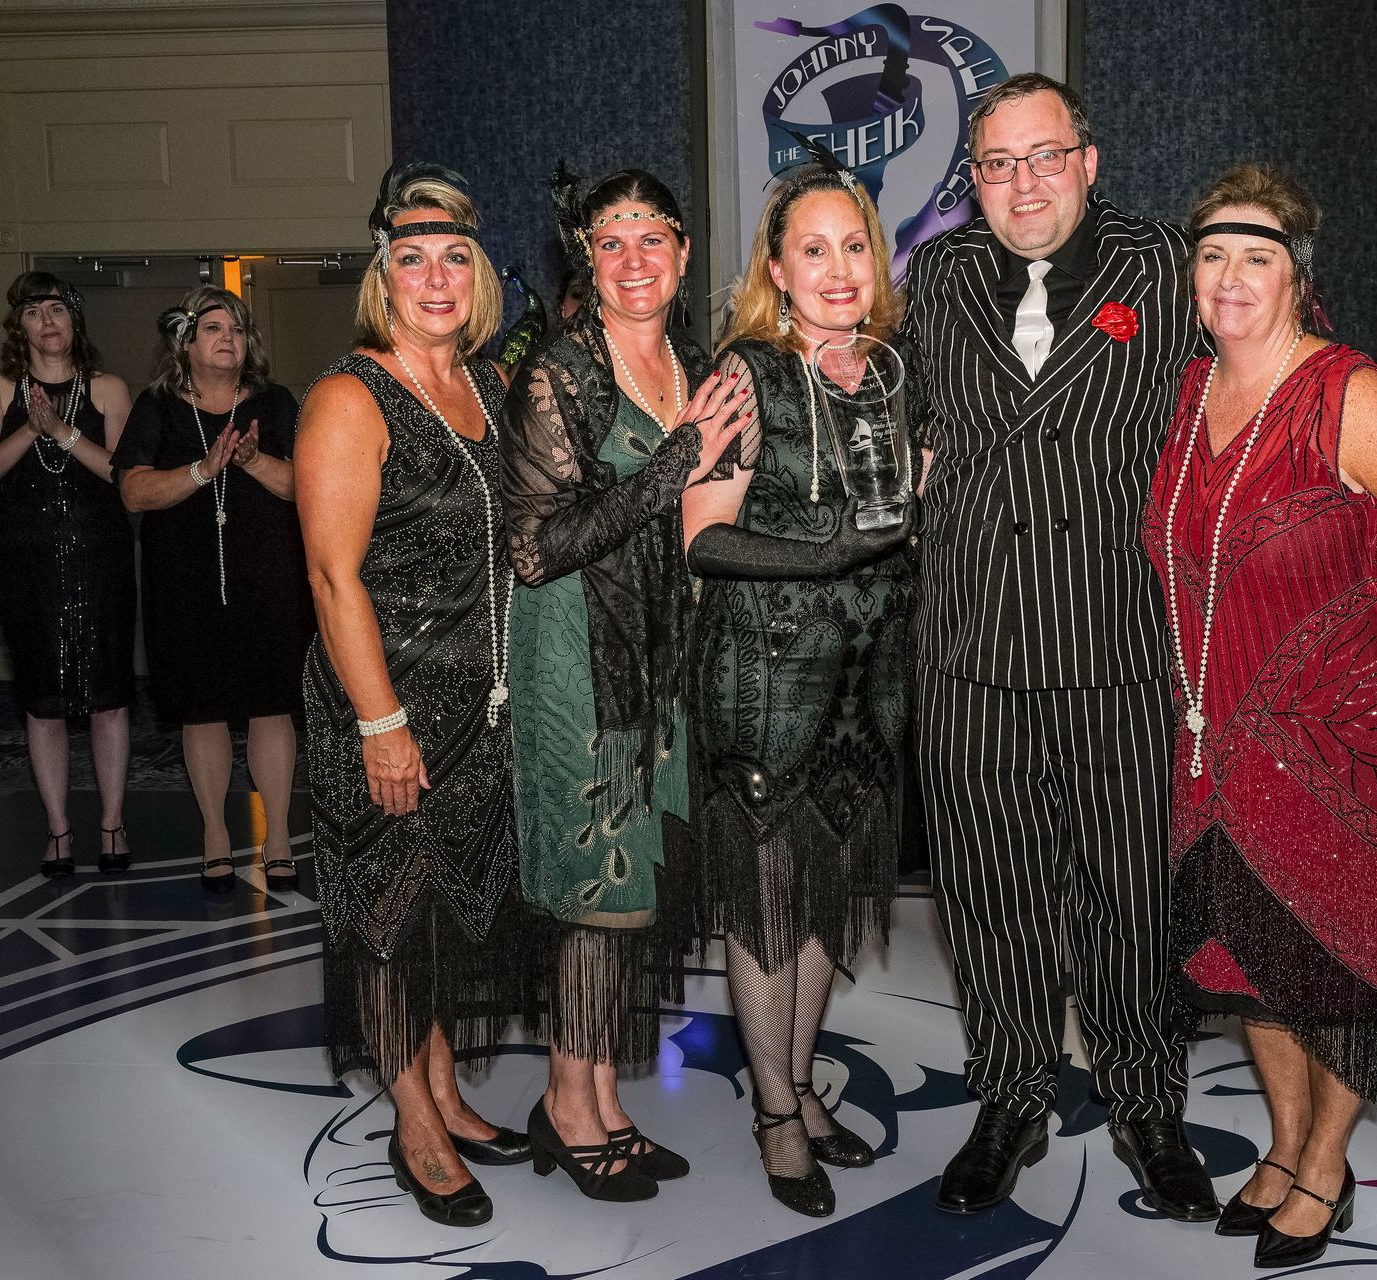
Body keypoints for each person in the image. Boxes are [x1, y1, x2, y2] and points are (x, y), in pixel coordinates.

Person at [1143, 163, 1377, 1268]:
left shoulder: (1347, 392)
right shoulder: (1186, 393)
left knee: (1338, 959)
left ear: (1298, 272)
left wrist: (1373, 598)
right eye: (1212, 254)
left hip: (1343, 729)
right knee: (1250, 956)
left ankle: (1327, 1166)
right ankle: (1286, 1138)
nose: (1231, 275)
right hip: (1218, 725)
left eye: (1257, 254)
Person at [896, 72, 1214, 1219]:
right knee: (991, 894)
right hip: (974, 645)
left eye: (1043, 157)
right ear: (971, 180)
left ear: (1089, 160)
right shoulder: (935, 275)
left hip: (1117, 642)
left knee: (1132, 894)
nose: (1021, 183)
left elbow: (1240, 410)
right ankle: (1013, 1093)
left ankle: (1144, 1101)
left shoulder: (1166, 269)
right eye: (996, 164)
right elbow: (912, 430)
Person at [502, 167, 750, 1202]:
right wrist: (678, 457)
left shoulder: (695, 364)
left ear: (685, 255)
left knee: (632, 891)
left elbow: (710, 518)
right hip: (577, 661)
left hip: (661, 662)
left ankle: (601, 1098)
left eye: (654, 236)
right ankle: (568, 1104)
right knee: (593, 895)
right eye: (612, 240)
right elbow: (535, 547)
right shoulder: (558, 372)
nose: (635, 256)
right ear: (586, 264)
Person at [296, 162, 535, 1228]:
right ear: (382, 279)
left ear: (476, 275)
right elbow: (332, 574)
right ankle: (416, 1126)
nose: (435, 278)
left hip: (470, 711)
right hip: (383, 708)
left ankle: (443, 1088)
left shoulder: (475, 385)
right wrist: (380, 725)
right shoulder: (352, 393)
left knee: (439, 918)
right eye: (412, 260)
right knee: (389, 921)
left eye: (454, 258)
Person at [681, 159, 914, 1217]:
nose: (835, 268)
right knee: (768, 908)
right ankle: (777, 1112)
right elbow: (701, 537)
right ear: (776, 268)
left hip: (869, 692)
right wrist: (825, 548)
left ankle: (802, 1085)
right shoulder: (745, 373)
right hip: (765, 683)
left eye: (853, 245)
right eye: (811, 249)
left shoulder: (896, 372)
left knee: (823, 903)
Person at [115, 288, 314, 892]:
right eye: (212, 327)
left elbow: (304, 487)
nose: (228, 336)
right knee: (201, 712)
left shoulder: (275, 403)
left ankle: (277, 836)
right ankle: (215, 836)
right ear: (186, 342)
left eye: (236, 327)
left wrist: (250, 461)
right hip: (185, 585)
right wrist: (204, 470)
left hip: (269, 581)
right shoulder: (158, 407)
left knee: (270, 708)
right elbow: (133, 491)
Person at [0, 273, 137, 878]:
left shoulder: (110, 389)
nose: (47, 320)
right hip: (27, 561)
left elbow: (125, 476)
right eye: (35, 312)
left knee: (109, 700)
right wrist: (28, 430)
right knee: (43, 702)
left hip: (101, 560)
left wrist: (63, 433)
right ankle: (59, 830)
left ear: (74, 320)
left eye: (58, 309)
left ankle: (112, 824)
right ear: (20, 326)